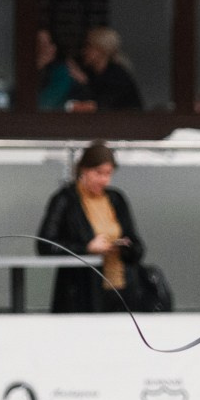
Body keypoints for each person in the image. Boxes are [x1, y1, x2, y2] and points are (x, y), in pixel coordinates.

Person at [37, 141, 144, 313]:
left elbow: (137, 245)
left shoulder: (116, 199)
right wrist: (87, 248)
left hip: (121, 288)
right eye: (98, 173)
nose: (104, 179)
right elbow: (45, 245)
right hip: (80, 291)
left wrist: (123, 246)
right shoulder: (65, 200)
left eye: (108, 174)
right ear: (83, 170)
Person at [68, 27, 143, 112]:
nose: (84, 51)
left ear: (101, 50)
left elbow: (101, 105)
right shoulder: (91, 73)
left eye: (88, 46)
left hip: (127, 123)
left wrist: (69, 106)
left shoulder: (117, 75)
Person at [35, 29, 77, 111]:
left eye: (48, 43)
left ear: (54, 47)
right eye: (39, 43)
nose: (43, 48)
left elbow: (43, 104)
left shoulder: (62, 72)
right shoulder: (25, 69)